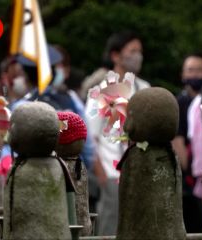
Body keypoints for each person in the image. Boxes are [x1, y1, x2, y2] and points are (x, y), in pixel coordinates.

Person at [85, 31, 150, 236]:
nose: (137, 56)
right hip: (112, 172)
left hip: (141, 171)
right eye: (132, 51)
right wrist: (101, 174)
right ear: (116, 56)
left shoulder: (144, 88)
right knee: (110, 227)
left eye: (139, 51)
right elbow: (91, 136)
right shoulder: (103, 90)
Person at [172, 52, 202, 233]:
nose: (194, 75)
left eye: (199, 70)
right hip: (189, 180)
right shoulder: (179, 103)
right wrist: (190, 172)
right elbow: (177, 140)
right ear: (182, 74)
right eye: (190, 70)